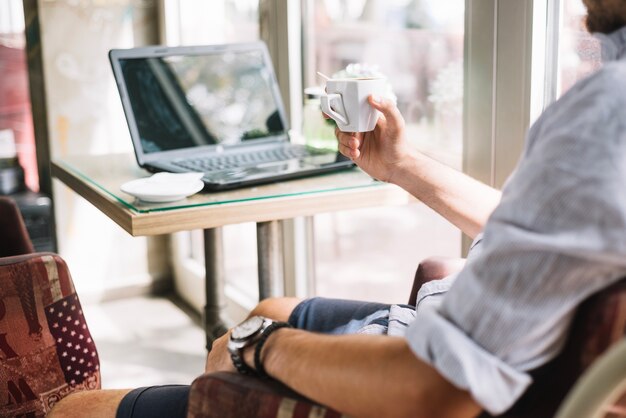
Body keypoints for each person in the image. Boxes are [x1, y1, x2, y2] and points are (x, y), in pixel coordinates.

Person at [49, 1, 626, 417]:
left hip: (438, 368)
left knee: (79, 408)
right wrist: (399, 165)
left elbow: (438, 391)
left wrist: (264, 344)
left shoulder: (608, 109)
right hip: (467, 323)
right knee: (258, 314)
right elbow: (547, 233)